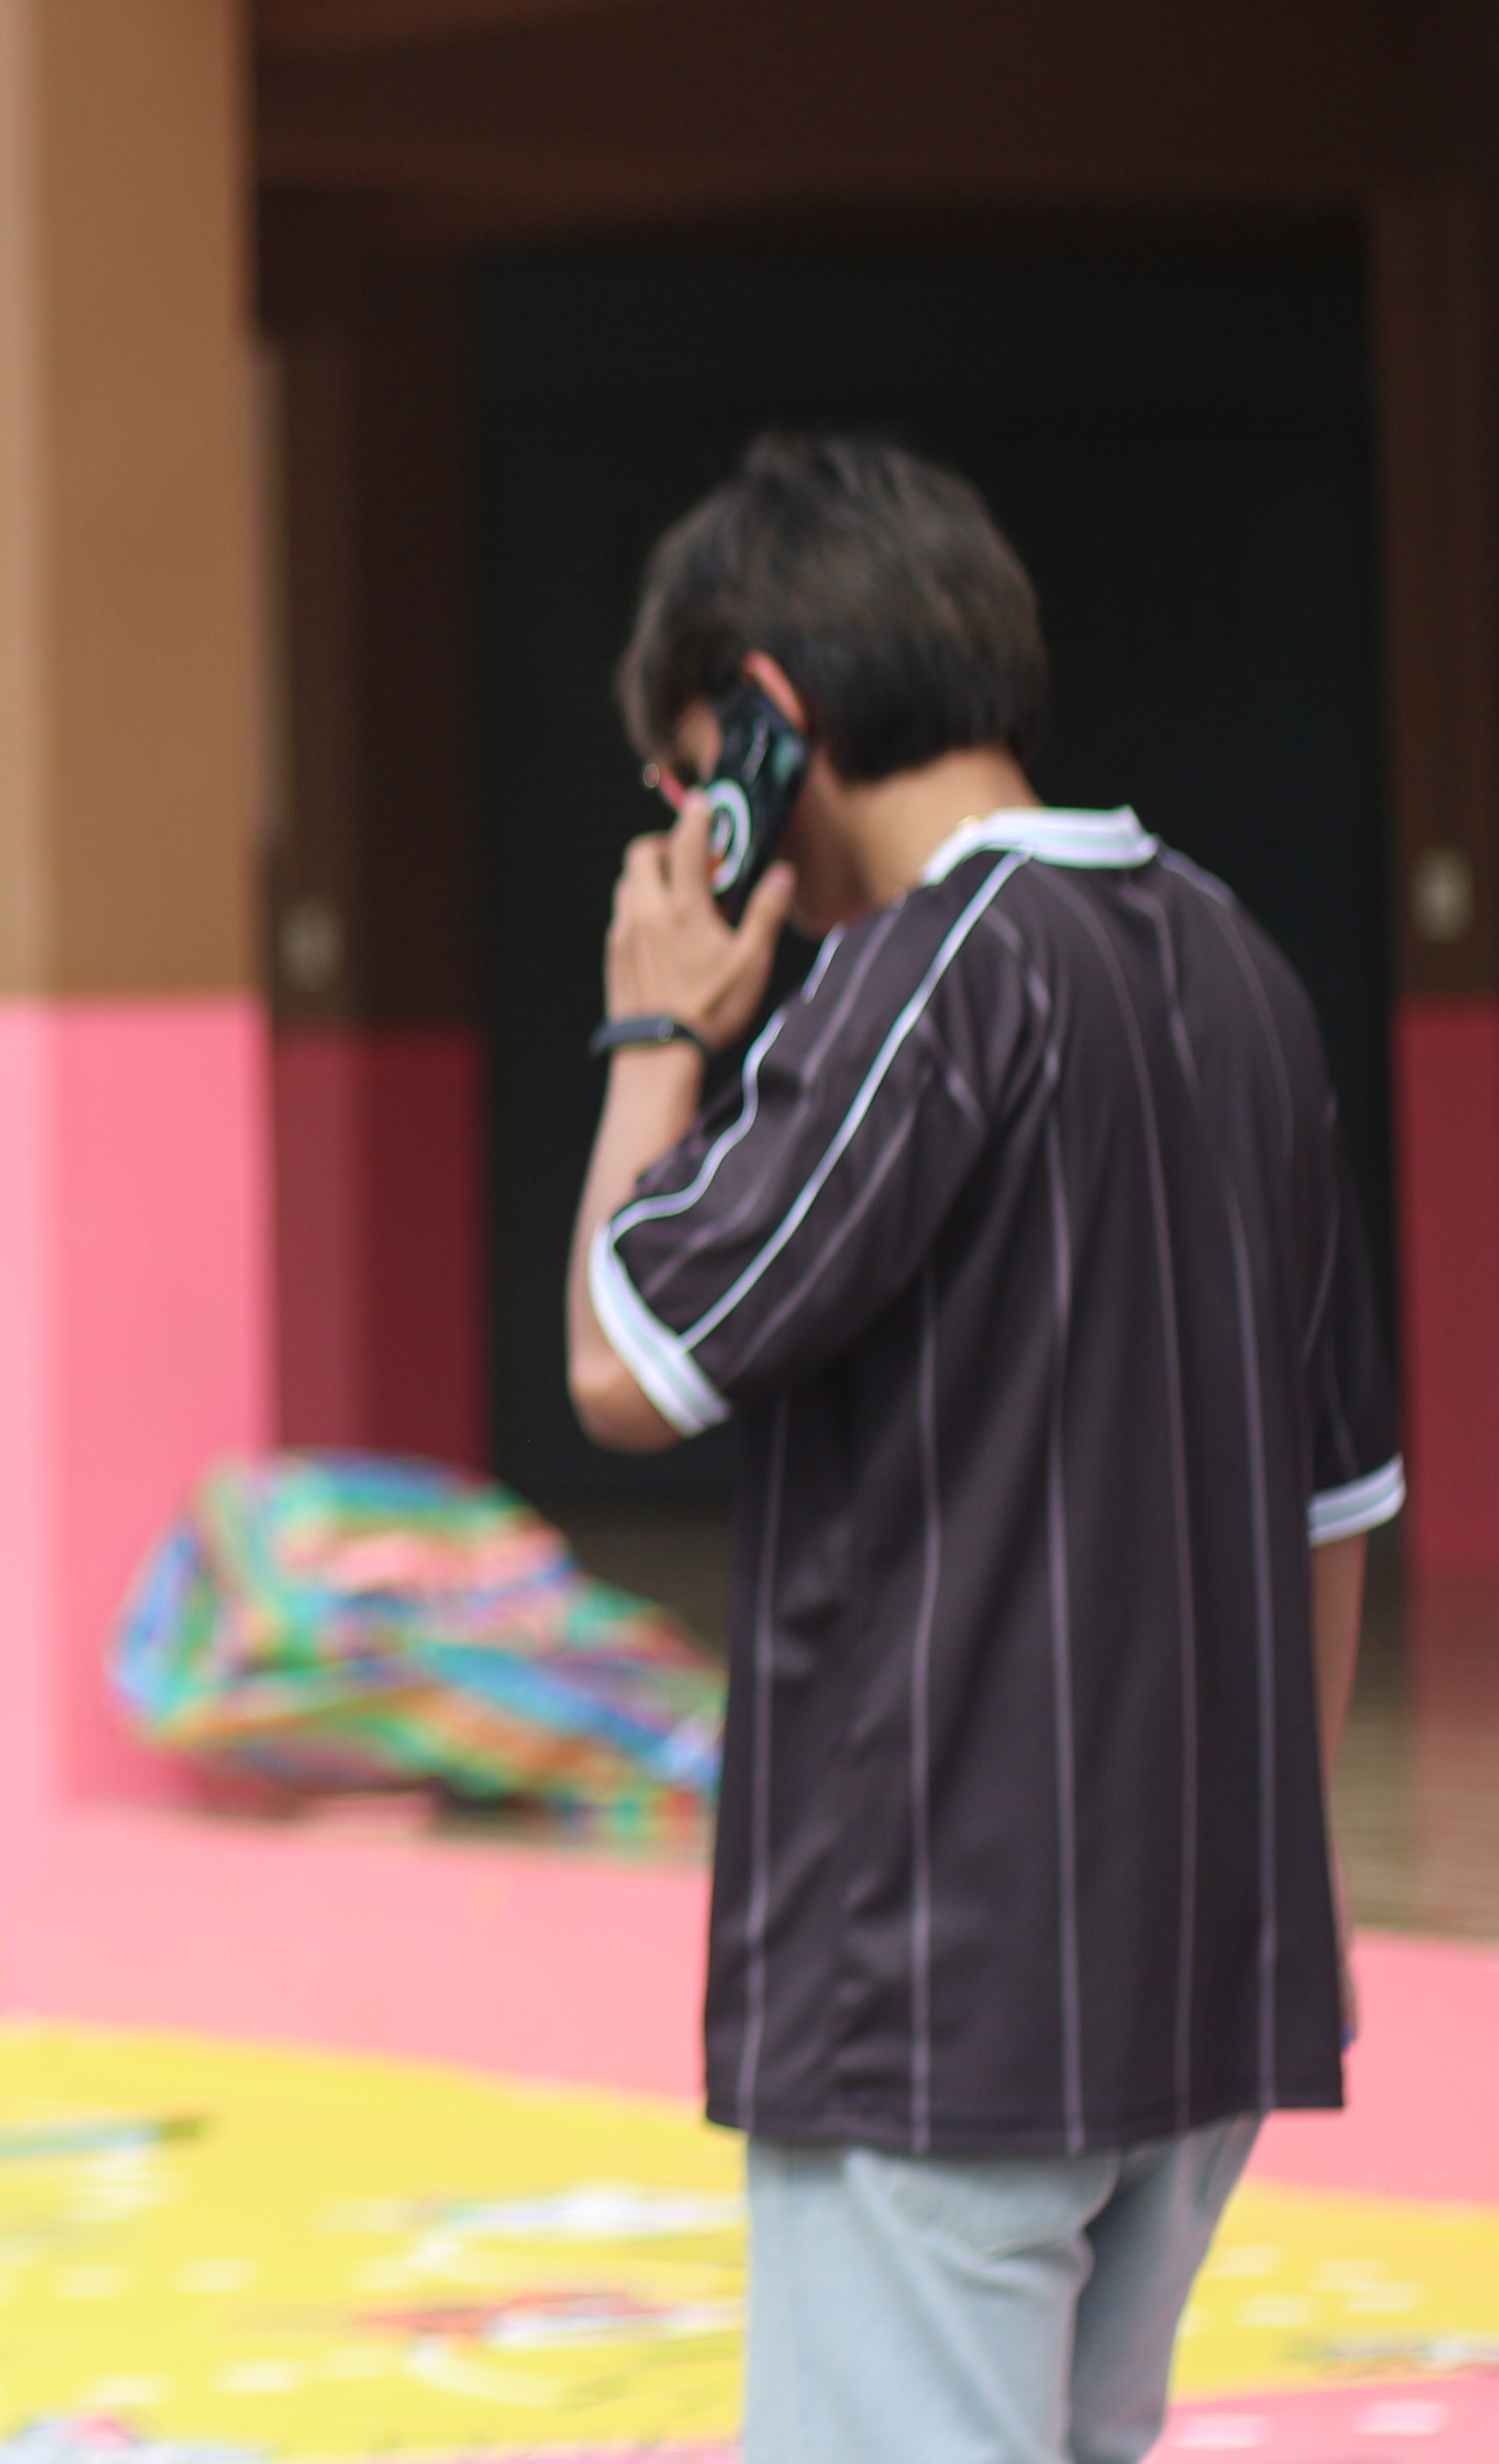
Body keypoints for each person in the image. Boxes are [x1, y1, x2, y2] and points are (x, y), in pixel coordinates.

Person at [563, 433, 1401, 2464]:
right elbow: (1336, 1507)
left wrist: (660, 1032)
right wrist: (1257, 1908)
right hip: (1196, 1988)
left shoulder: (929, 977)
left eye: (693, 778)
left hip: (935, 1996)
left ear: (771, 717)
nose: (691, 830)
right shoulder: (1240, 968)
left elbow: (619, 1355)